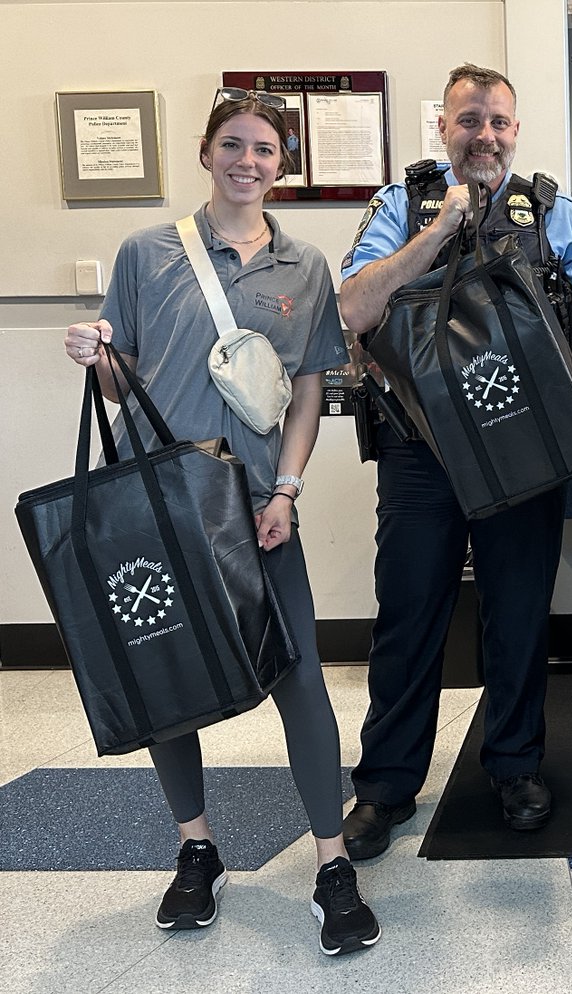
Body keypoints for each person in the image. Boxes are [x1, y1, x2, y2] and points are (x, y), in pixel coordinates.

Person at [63, 88, 381, 955]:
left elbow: (311, 387)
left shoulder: (304, 267)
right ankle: (195, 849)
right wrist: (98, 355)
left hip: (256, 506)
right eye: (234, 145)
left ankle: (331, 863)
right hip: (159, 503)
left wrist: (286, 490)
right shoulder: (146, 252)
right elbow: (124, 384)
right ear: (206, 152)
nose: (249, 162)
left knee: (301, 675)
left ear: (283, 165)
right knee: (168, 680)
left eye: (266, 150)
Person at [337, 63, 572, 857]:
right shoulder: (402, 205)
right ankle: (386, 786)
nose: (484, 135)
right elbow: (353, 311)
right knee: (409, 613)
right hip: (421, 453)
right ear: (443, 127)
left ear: (517, 129)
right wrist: (438, 232)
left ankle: (515, 765)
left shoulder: (555, 215)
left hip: (524, 445)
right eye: (469, 120)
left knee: (519, 614)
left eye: (498, 121)